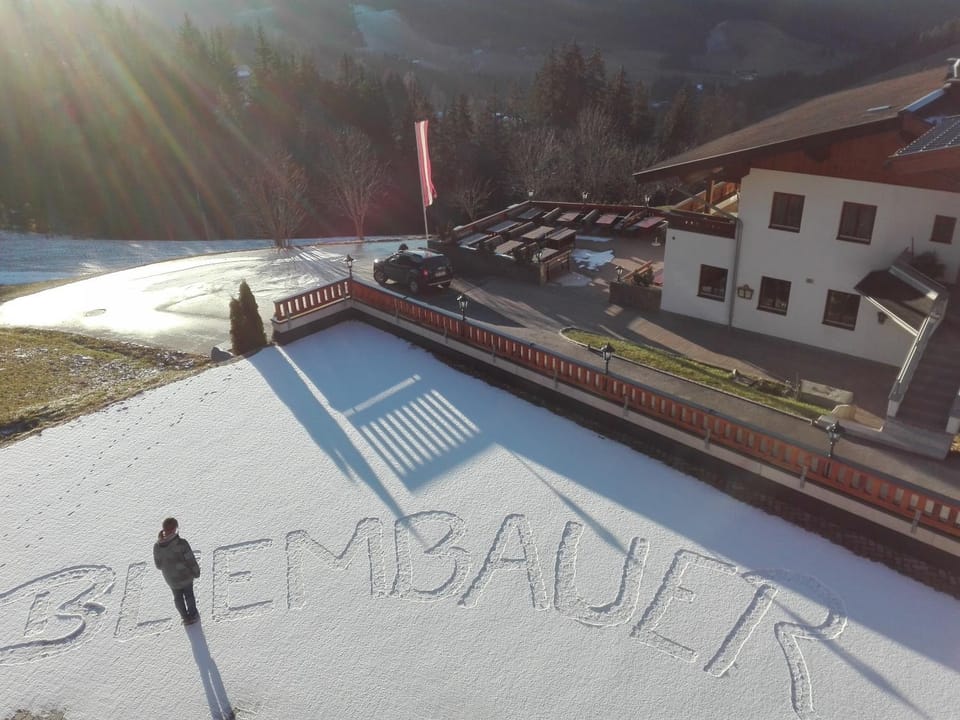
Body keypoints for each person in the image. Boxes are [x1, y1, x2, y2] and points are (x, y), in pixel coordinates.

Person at [153, 517, 201, 625]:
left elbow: (158, 565)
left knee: (177, 598)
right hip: (186, 577)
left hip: (171, 579)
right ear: (175, 529)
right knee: (189, 596)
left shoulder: (157, 546)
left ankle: (185, 618)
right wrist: (196, 572)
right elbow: (190, 560)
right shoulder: (182, 544)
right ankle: (193, 615)